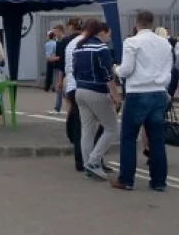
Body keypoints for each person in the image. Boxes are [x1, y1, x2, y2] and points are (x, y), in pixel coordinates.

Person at [110, 10, 172, 192]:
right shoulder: (165, 43)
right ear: (152, 23)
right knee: (157, 139)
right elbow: (168, 69)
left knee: (129, 137)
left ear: (136, 24)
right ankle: (159, 181)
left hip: (137, 92)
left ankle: (126, 180)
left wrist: (116, 69)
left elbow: (127, 69)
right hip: (159, 92)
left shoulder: (132, 42)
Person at [72, 19, 121, 180]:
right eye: (108, 35)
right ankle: (94, 160)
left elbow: (74, 71)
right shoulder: (101, 48)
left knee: (87, 130)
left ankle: (88, 164)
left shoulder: (79, 47)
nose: (109, 38)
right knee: (111, 127)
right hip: (96, 91)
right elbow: (107, 75)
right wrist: (115, 95)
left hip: (80, 90)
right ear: (101, 33)